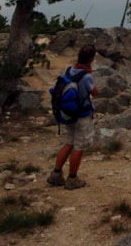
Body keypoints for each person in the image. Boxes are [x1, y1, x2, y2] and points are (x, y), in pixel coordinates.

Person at [47, 44, 99, 189]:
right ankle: (72, 178)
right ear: (92, 59)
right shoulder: (87, 76)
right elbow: (95, 92)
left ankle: (56, 174)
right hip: (82, 115)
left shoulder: (69, 70)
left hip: (68, 113)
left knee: (68, 143)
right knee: (79, 146)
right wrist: (90, 75)